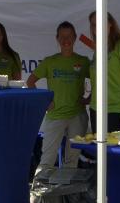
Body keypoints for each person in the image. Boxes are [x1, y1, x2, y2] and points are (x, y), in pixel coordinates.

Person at [27, 21, 90, 172]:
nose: (66, 40)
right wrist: (44, 103)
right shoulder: (50, 61)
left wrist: (88, 98)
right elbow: (30, 82)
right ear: (57, 38)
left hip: (77, 116)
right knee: (47, 160)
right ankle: (39, 187)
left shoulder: (83, 61)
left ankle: (65, 188)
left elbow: (95, 82)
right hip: (55, 116)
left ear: (75, 37)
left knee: (72, 161)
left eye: (69, 36)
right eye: (62, 36)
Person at [87, 12, 120, 133]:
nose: (97, 27)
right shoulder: (98, 50)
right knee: (98, 146)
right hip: (95, 110)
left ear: (110, 23)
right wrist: (88, 98)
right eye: (94, 25)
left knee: (112, 145)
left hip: (116, 111)